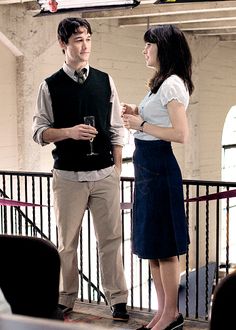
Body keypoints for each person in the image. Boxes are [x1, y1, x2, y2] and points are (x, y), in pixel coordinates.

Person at [32, 17, 129, 321]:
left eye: (88, 38)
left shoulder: (105, 80)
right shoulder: (49, 86)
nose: (85, 45)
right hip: (68, 178)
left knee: (111, 241)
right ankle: (65, 299)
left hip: (104, 176)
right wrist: (68, 132)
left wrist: (115, 167)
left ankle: (118, 301)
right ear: (63, 44)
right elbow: (39, 132)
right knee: (67, 243)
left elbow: (116, 127)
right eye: (78, 40)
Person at [122, 25, 194, 330]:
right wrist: (137, 110)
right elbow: (158, 116)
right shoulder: (161, 84)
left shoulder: (172, 85)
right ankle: (162, 312)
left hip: (160, 167)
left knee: (164, 248)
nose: (144, 50)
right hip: (148, 168)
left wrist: (140, 124)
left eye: (148, 45)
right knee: (153, 246)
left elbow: (180, 134)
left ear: (161, 47)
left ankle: (171, 315)